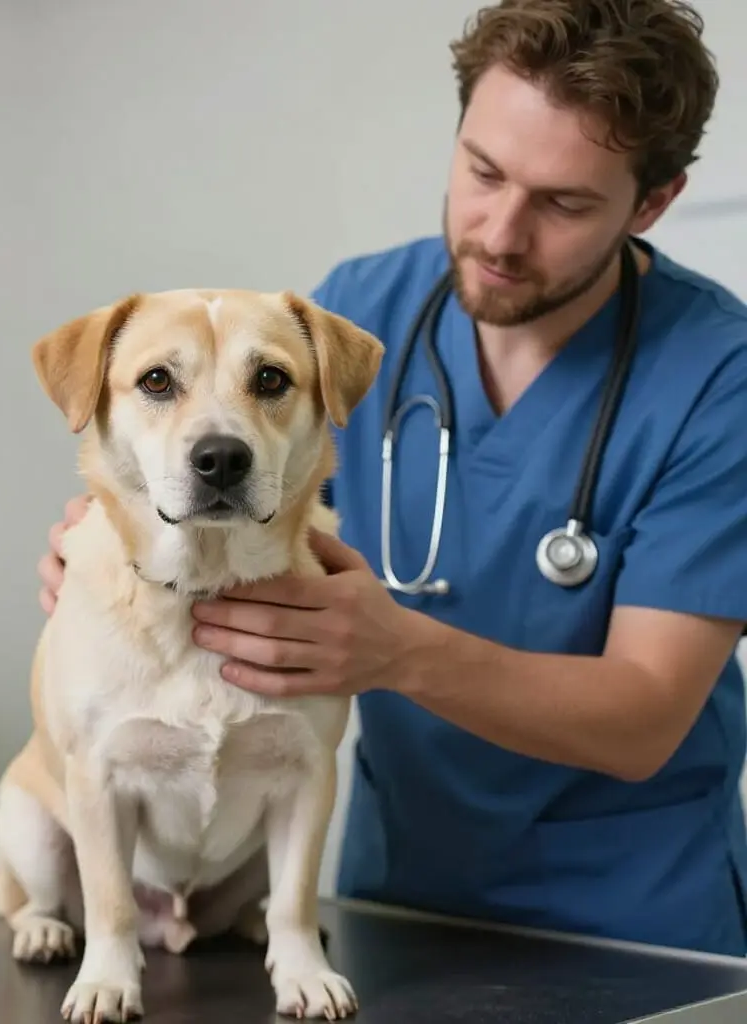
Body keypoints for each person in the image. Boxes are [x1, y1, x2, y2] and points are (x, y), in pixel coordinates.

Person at [37, 0, 747, 956]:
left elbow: (646, 719)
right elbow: (251, 511)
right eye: (482, 171)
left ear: (652, 204)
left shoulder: (718, 377)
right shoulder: (365, 308)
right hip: (399, 891)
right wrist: (119, 555)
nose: (500, 232)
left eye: (564, 203)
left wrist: (400, 653)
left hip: (632, 919)